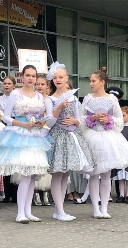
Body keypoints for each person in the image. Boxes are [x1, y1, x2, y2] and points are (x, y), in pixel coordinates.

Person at [0, 65, 51, 224]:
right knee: (25, 175)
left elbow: (42, 117)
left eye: (34, 76)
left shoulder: (39, 96)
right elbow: (6, 117)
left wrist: (38, 124)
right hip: (20, 135)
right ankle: (20, 212)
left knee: (32, 177)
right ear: (22, 77)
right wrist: (23, 125)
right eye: (28, 75)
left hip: (35, 136)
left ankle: (28, 211)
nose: (31, 78)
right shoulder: (16, 93)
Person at [81, 67, 128, 219]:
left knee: (105, 175)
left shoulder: (112, 100)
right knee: (93, 174)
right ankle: (95, 208)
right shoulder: (88, 99)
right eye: (90, 81)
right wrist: (92, 118)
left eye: (93, 81)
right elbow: (81, 120)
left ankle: (104, 207)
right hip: (92, 136)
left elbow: (119, 120)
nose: (91, 83)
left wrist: (108, 120)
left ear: (102, 82)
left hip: (107, 137)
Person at [45, 62, 95, 221]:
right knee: (57, 174)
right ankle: (58, 210)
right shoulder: (50, 99)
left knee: (65, 174)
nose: (58, 80)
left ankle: (60, 210)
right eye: (55, 77)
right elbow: (49, 122)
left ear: (66, 79)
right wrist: (58, 108)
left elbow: (79, 118)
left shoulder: (72, 98)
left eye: (61, 77)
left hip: (71, 136)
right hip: (57, 137)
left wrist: (75, 120)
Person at [0, 76, 17, 203]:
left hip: (16, 129)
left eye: (9, 83)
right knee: (5, 161)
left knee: (15, 161)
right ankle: (6, 193)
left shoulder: (17, 97)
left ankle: (15, 193)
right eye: (5, 83)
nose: (6, 85)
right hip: (4, 130)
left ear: (14, 85)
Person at [33, 75, 52, 206]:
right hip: (34, 133)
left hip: (47, 133)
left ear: (47, 87)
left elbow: (51, 118)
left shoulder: (49, 100)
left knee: (46, 162)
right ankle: (34, 192)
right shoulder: (33, 99)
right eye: (37, 84)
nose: (39, 86)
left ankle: (45, 192)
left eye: (42, 84)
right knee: (35, 161)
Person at [113, 106, 128, 204]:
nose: (122, 117)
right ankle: (121, 195)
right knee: (121, 176)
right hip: (119, 155)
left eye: (123, 115)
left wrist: (127, 151)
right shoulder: (118, 128)